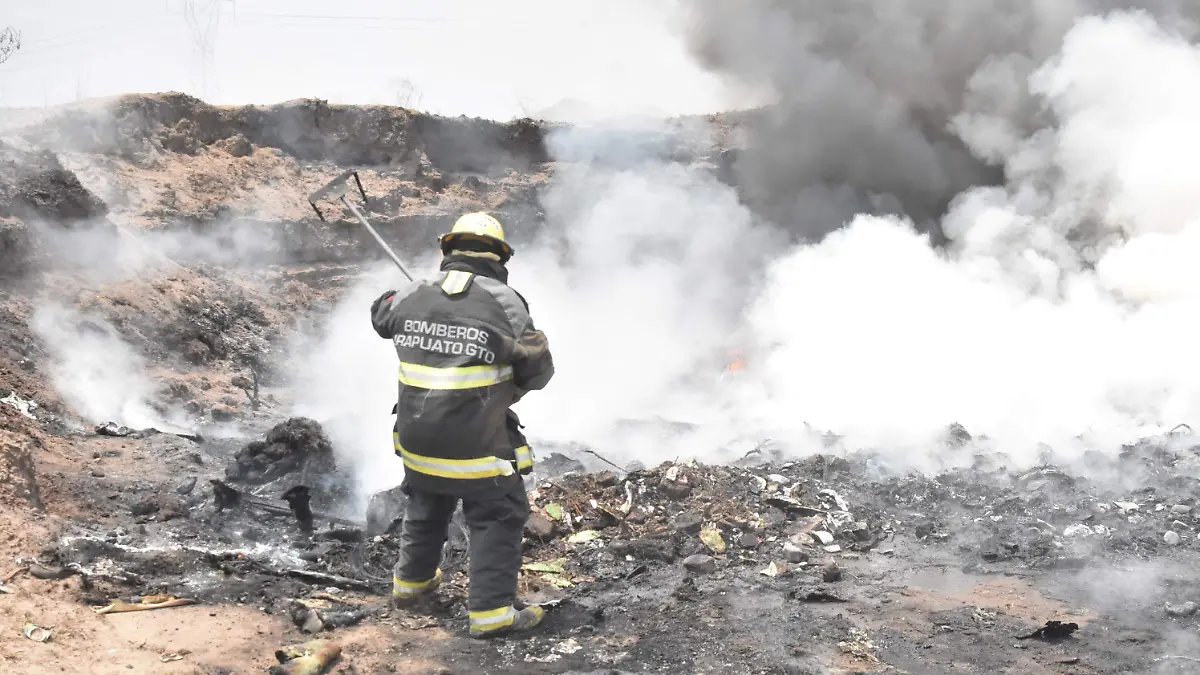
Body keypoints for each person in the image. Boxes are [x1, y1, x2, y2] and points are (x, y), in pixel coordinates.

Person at [369, 211, 554, 638]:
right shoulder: (506, 302)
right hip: (477, 447)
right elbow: (539, 369)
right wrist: (513, 384)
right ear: (499, 258)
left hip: (417, 442)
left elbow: (381, 316)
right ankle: (492, 616)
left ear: (448, 250)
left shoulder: (412, 293)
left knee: (427, 502)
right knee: (498, 513)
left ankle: (411, 589)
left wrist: (403, 298)